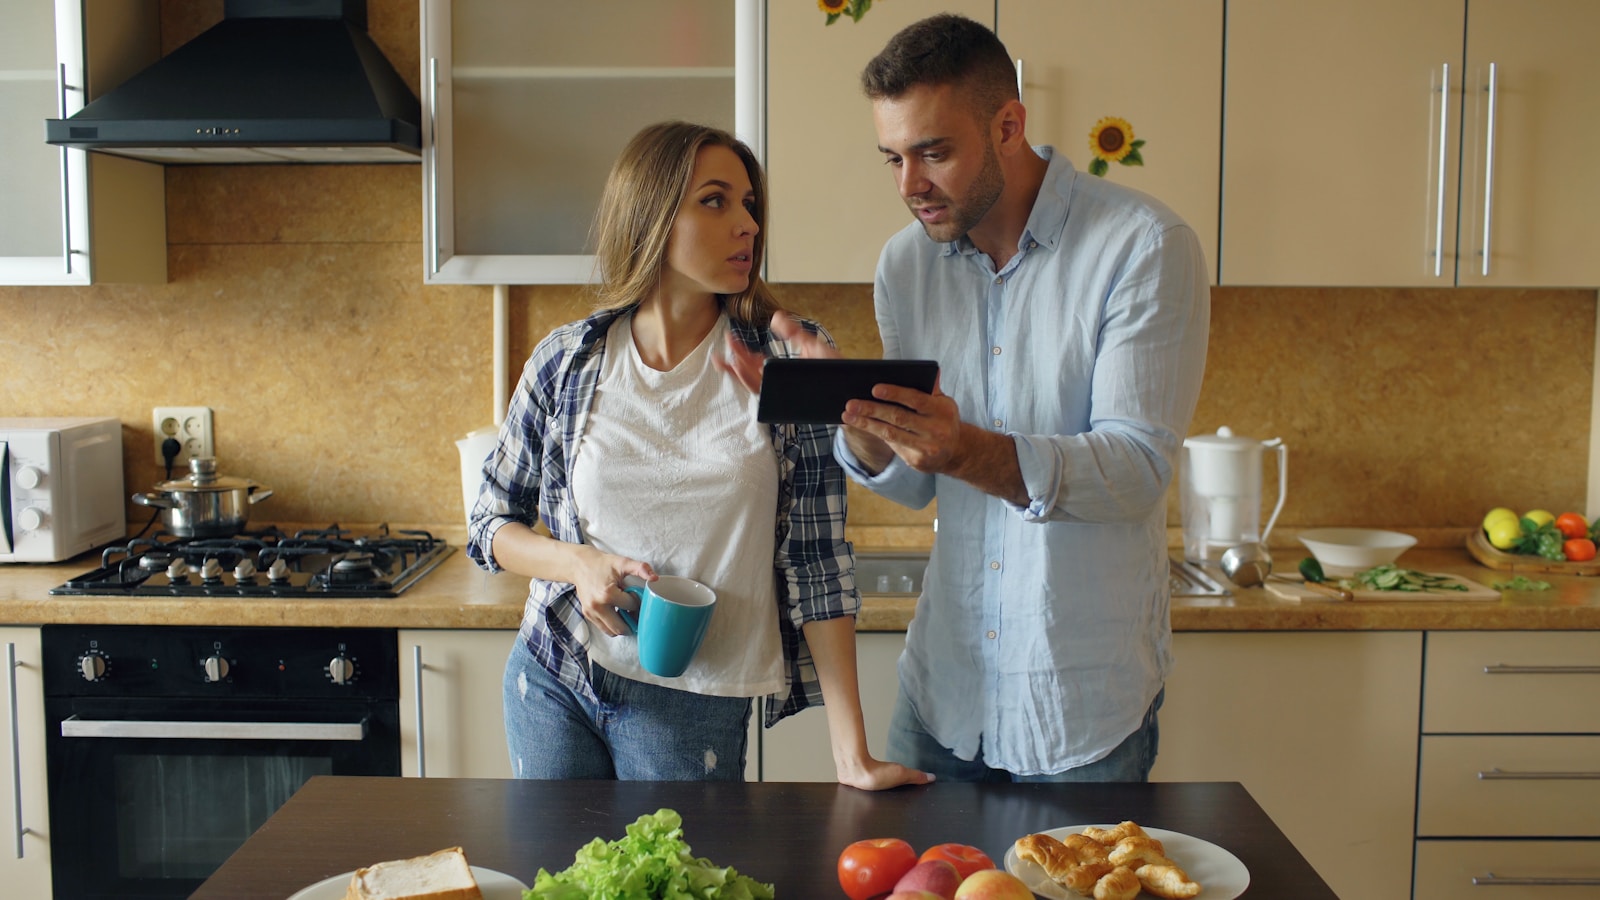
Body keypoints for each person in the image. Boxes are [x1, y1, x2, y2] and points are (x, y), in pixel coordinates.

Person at [725, 14, 1210, 782]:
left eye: (934, 152)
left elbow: (1138, 469)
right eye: (891, 158)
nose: (910, 185)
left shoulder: (1142, 248)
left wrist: (968, 450)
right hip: (941, 695)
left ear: (1009, 124)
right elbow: (918, 482)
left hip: (1080, 710)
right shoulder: (906, 265)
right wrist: (860, 419)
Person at [466, 120, 929, 790]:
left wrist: (851, 754)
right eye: (715, 200)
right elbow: (489, 522)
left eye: (748, 204)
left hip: (698, 695)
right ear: (651, 215)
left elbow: (819, 559)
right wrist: (578, 564)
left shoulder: (785, 359)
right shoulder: (570, 361)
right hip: (555, 672)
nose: (746, 223)